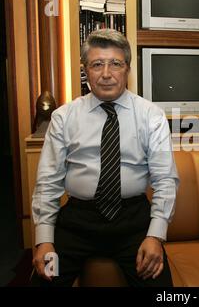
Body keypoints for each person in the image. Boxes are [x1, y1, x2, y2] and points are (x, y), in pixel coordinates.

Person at [31, 29, 179, 287]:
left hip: (133, 221)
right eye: (97, 64)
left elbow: (165, 180)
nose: (107, 74)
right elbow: (48, 181)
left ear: (128, 69)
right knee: (45, 279)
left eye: (116, 64)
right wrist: (44, 239)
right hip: (77, 223)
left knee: (160, 287)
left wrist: (155, 236)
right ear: (85, 70)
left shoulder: (151, 116)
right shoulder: (64, 117)